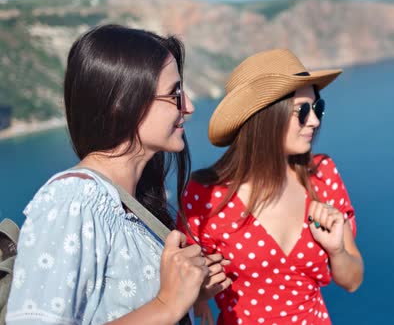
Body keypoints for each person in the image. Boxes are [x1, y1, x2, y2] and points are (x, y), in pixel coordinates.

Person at [6, 24, 227, 325]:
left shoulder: (122, 204)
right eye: (174, 93)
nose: (187, 106)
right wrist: (166, 304)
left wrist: (187, 294)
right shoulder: (73, 201)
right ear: (123, 104)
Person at [178, 49, 364, 324]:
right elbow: (182, 283)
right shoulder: (204, 195)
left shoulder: (322, 175)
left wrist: (336, 250)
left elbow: (353, 281)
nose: (314, 120)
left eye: (317, 108)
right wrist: (200, 295)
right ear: (264, 117)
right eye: (302, 111)